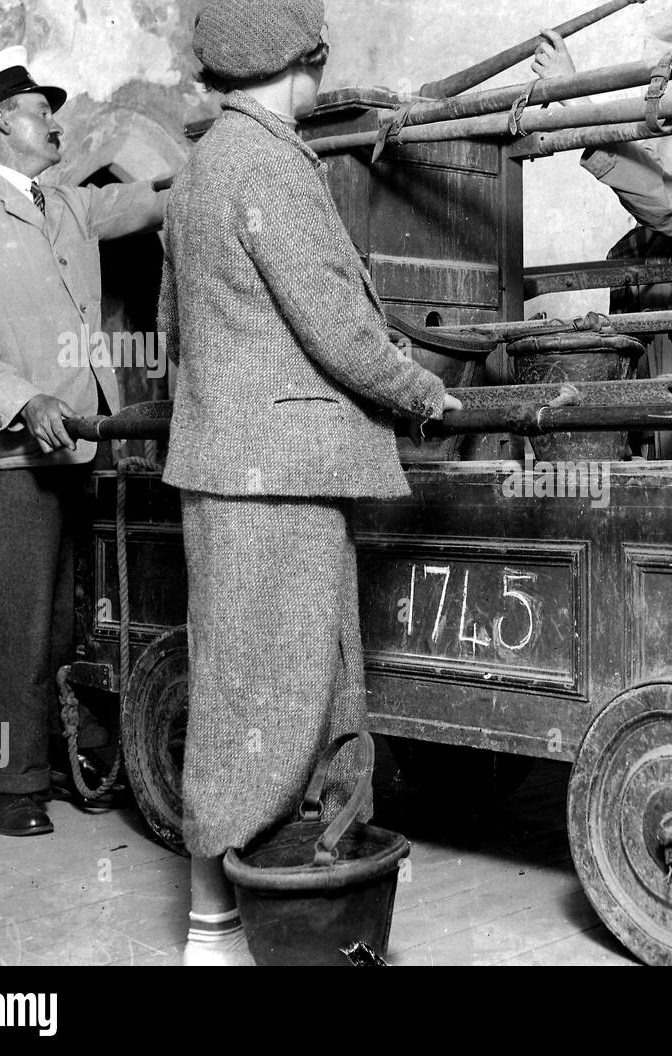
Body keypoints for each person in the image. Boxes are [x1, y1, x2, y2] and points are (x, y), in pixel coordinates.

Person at [161, 0, 462, 966]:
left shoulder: (199, 169)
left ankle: (226, 919)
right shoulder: (270, 164)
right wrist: (423, 391)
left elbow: (180, 337)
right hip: (278, 481)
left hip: (232, 472)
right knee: (275, 703)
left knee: (246, 695)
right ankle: (223, 932)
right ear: (309, 60)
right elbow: (334, 322)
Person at [0, 46, 169, 838]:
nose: (54, 121)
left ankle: (62, 759)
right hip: (13, 452)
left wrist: (219, 157)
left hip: (83, 443)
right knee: (16, 623)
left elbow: (141, 202)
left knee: (69, 620)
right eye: (39, 108)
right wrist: (24, 402)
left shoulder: (62, 205)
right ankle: (12, 788)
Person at [533, 29, 672, 457]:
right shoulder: (629, 249)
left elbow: (670, 204)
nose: (650, 140)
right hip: (647, 438)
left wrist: (577, 102)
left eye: (666, 129)